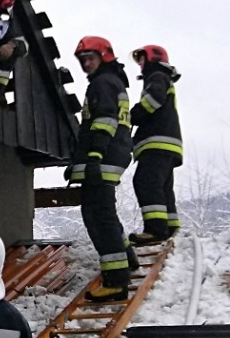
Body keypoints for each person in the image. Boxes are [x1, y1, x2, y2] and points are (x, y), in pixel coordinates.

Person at [66, 36, 137, 302]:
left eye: (90, 58)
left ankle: (116, 281)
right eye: (83, 60)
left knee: (98, 218)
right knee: (103, 213)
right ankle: (127, 257)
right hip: (110, 155)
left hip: (104, 156)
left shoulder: (103, 83)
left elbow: (105, 121)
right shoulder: (112, 82)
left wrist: (94, 156)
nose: (86, 64)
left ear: (105, 56)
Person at [128, 45, 183, 244]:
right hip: (168, 146)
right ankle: (170, 226)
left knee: (145, 182)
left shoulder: (157, 76)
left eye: (142, 60)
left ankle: (155, 230)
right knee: (163, 186)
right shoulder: (163, 77)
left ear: (153, 58)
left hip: (156, 143)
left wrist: (131, 115)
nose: (140, 65)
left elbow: (152, 101)